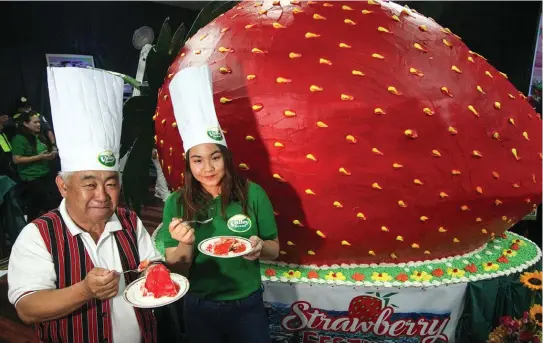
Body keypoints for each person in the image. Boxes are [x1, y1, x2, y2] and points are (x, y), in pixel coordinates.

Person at [8, 67, 160, 343]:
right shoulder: (37, 235)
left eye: (111, 183)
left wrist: (154, 270)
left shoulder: (129, 221)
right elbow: (27, 308)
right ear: (63, 186)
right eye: (89, 184)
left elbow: (151, 265)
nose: (102, 195)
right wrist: (84, 291)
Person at [158, 65, 280, 343]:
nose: (208, 168)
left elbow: (274, 247)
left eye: (215, 157)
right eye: (197, 160)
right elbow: (177, 269)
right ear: (188, 165)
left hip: (248, 304)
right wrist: (185, 242)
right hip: (199, 304)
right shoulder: (176, 203)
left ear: (226, 157)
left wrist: (260, 247)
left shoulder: (254, 194)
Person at [10, 111, 60, 221]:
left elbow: (40, 153)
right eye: (35, 122)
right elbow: (16, 159)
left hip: (44, 173)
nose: (39, 124)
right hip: (32, 177)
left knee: (35, 206)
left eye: (39, 122)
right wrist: (39, 157)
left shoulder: (35, 136)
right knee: (49, 204)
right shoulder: (19, 139)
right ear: (26, 124)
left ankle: (31, 226)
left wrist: (49, 155)